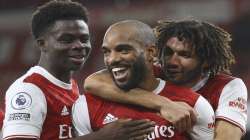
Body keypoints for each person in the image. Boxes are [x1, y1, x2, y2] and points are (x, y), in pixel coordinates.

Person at [1, 1, 155, 140]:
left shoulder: (70, 86)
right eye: (66, 40)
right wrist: (101, 137)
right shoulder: (29, 90)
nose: (79, 46)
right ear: (42, 44)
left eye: (84, 39)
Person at [84, 19, 248, 140]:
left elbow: (227, 137)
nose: (172, 62)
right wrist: (163, 103)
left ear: (205, 62)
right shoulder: (155, 71)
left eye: (184, 55)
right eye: (168, 52)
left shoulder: (228, 87)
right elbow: (93, 82)